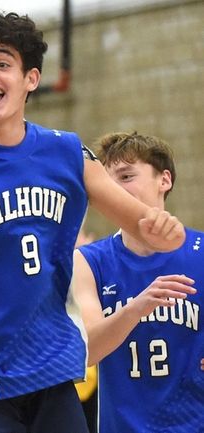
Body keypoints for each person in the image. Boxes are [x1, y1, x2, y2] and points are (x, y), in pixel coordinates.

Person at [0, 11, 185, 432]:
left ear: (31, 78)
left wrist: (164, 229)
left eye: (2, 63)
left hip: (51, 370)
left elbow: (146, 225)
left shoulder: (67, 153)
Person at [73, 132, 204, 432]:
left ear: (164, 180)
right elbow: (88, 351)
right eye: (108, 182)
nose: (115, 190)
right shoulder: (90, 262)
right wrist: (136, 309)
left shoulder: (201, 252)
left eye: (127, 176)